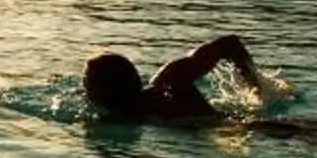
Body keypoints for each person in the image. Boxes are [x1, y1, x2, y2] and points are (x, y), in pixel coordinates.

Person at [82, 34, 263, 121]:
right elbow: (228, 43)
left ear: (104, 91)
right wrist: (257, 90)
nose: (84, 88)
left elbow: (229, 44)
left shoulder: (171, 81)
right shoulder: (167, 80)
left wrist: (258, 91)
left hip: (255, 129)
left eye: (88, 82)